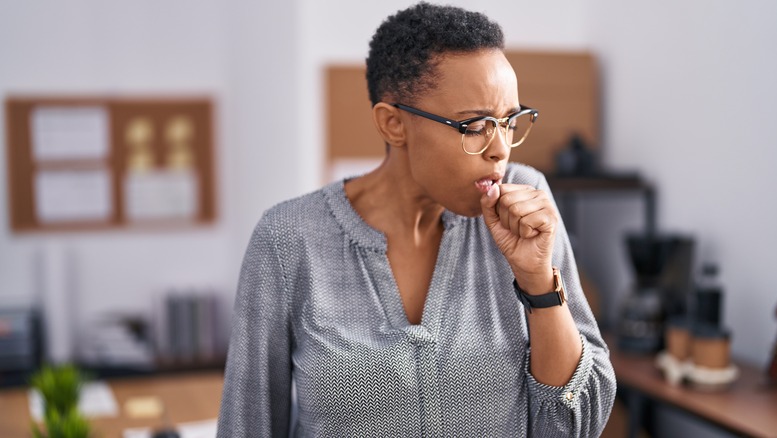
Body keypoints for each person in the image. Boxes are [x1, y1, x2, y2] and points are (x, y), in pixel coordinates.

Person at [217, 3, 616, 436]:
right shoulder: (288, 239)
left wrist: (538, 281)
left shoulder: (528, 205)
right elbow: (247, 425)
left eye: (508, 121)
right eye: (475, 125)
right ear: (393, 124)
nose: (501, 148)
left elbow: (575, 424)